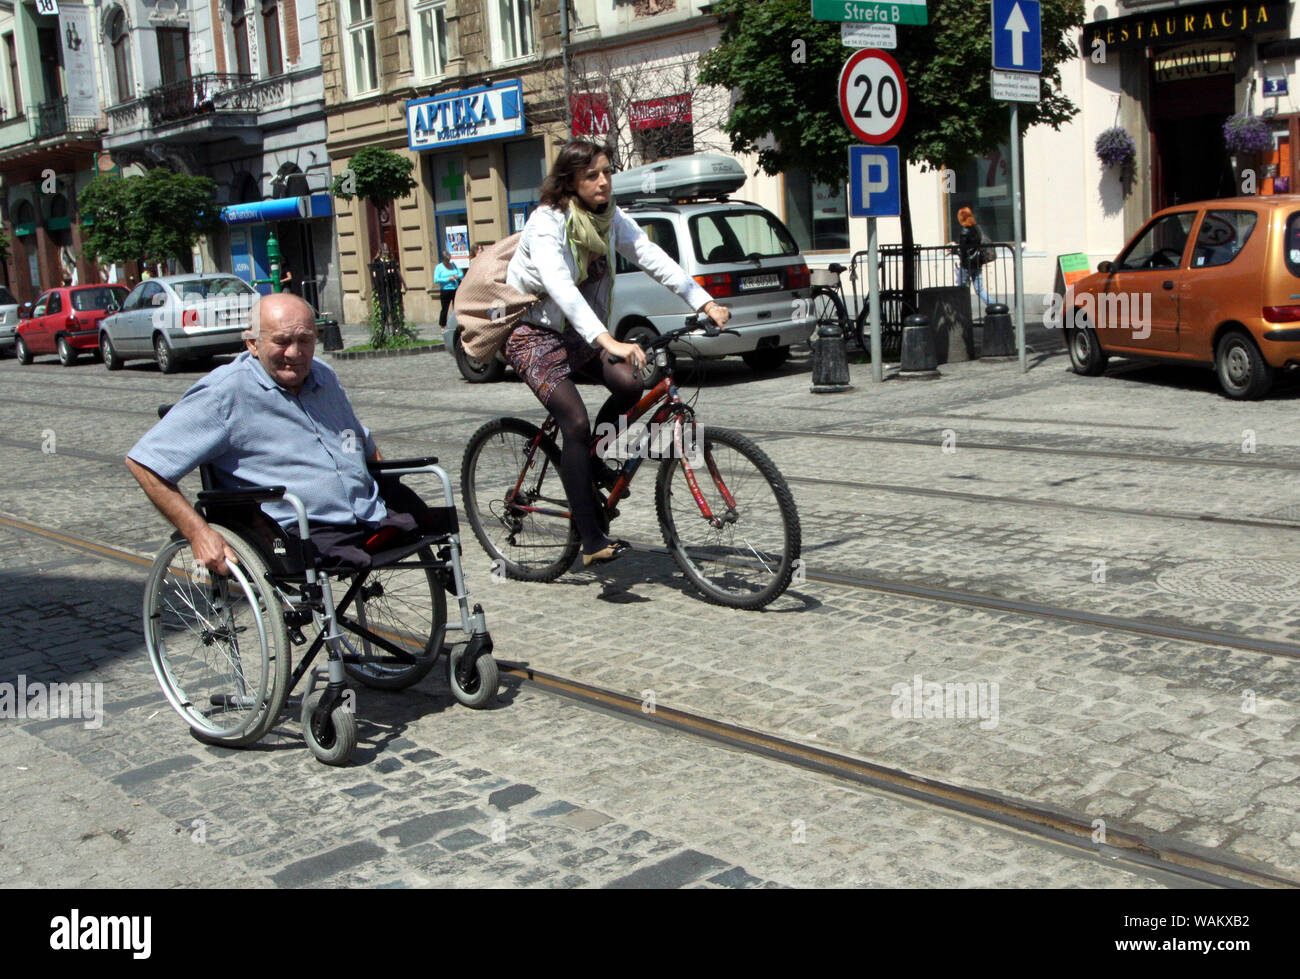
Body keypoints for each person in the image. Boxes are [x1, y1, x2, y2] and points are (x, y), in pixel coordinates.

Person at [504, 139, 729, 567]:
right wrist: (608, 340)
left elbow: (649, 255)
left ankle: (590, 462)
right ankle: (590, 540)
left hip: (580, 333)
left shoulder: (609, 218)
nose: (604, 181)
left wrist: (703, 302)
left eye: (607, 171)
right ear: (570, 181)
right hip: (532, 332)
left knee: (631, 384)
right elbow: (561, 287)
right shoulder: (546, 223)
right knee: (574, 420)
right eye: (592, 175)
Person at [125, 293, 432, 575]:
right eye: (282, 341)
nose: (295, 353)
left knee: (434, 519)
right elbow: (145, 462)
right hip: (301, 533)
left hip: (368, 516)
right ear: (252, 343)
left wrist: (384, 476)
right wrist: (199, 532)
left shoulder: (323, 375)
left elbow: (353, 437)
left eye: (305, 340)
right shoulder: (225, 392)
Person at [954, 206, 993, 307]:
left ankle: (962, 310)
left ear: (961, 218)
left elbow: (962, 249)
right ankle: (993, 306)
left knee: (962, 289)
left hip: (966, 265)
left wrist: (954, 249)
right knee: (979, 289)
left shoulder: (964, 232)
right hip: (977, 263)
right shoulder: (977, 229)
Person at [434, 250, 463, 328]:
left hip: (455, 289)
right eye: (447, 260)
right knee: (445, 309)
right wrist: (447, 279)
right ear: (443, 260)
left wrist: (458, 276)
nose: (448, 262)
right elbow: (436, 279)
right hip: (445, 290)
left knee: (456, 307)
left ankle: (457, 323)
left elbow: (461, 273)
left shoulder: (453, 265)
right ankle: (443, 325)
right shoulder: (439, 267)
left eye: (449, 259)